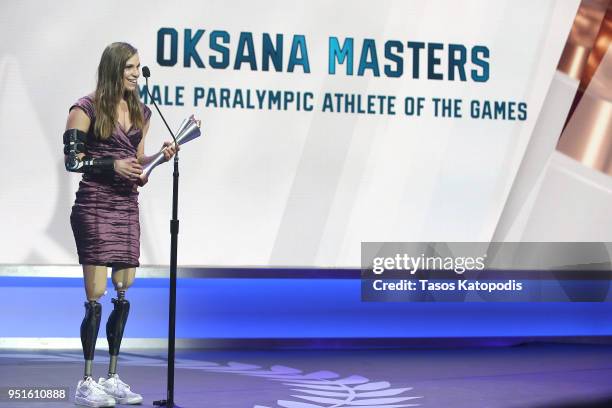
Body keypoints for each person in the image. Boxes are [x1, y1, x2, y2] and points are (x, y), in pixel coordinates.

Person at [63, 42, 178, 407]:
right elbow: (73, 161)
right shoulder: (85, 108)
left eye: (138, 66)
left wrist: (158, 157)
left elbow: (137, 163)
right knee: (95, 293)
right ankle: (86, 381)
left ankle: (112, 376)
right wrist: (111, 166)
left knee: (123, 288)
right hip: (95, 205)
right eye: (130, 66)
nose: (135, 72)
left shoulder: (142, 111)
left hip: (126, 205)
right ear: (113, 68)